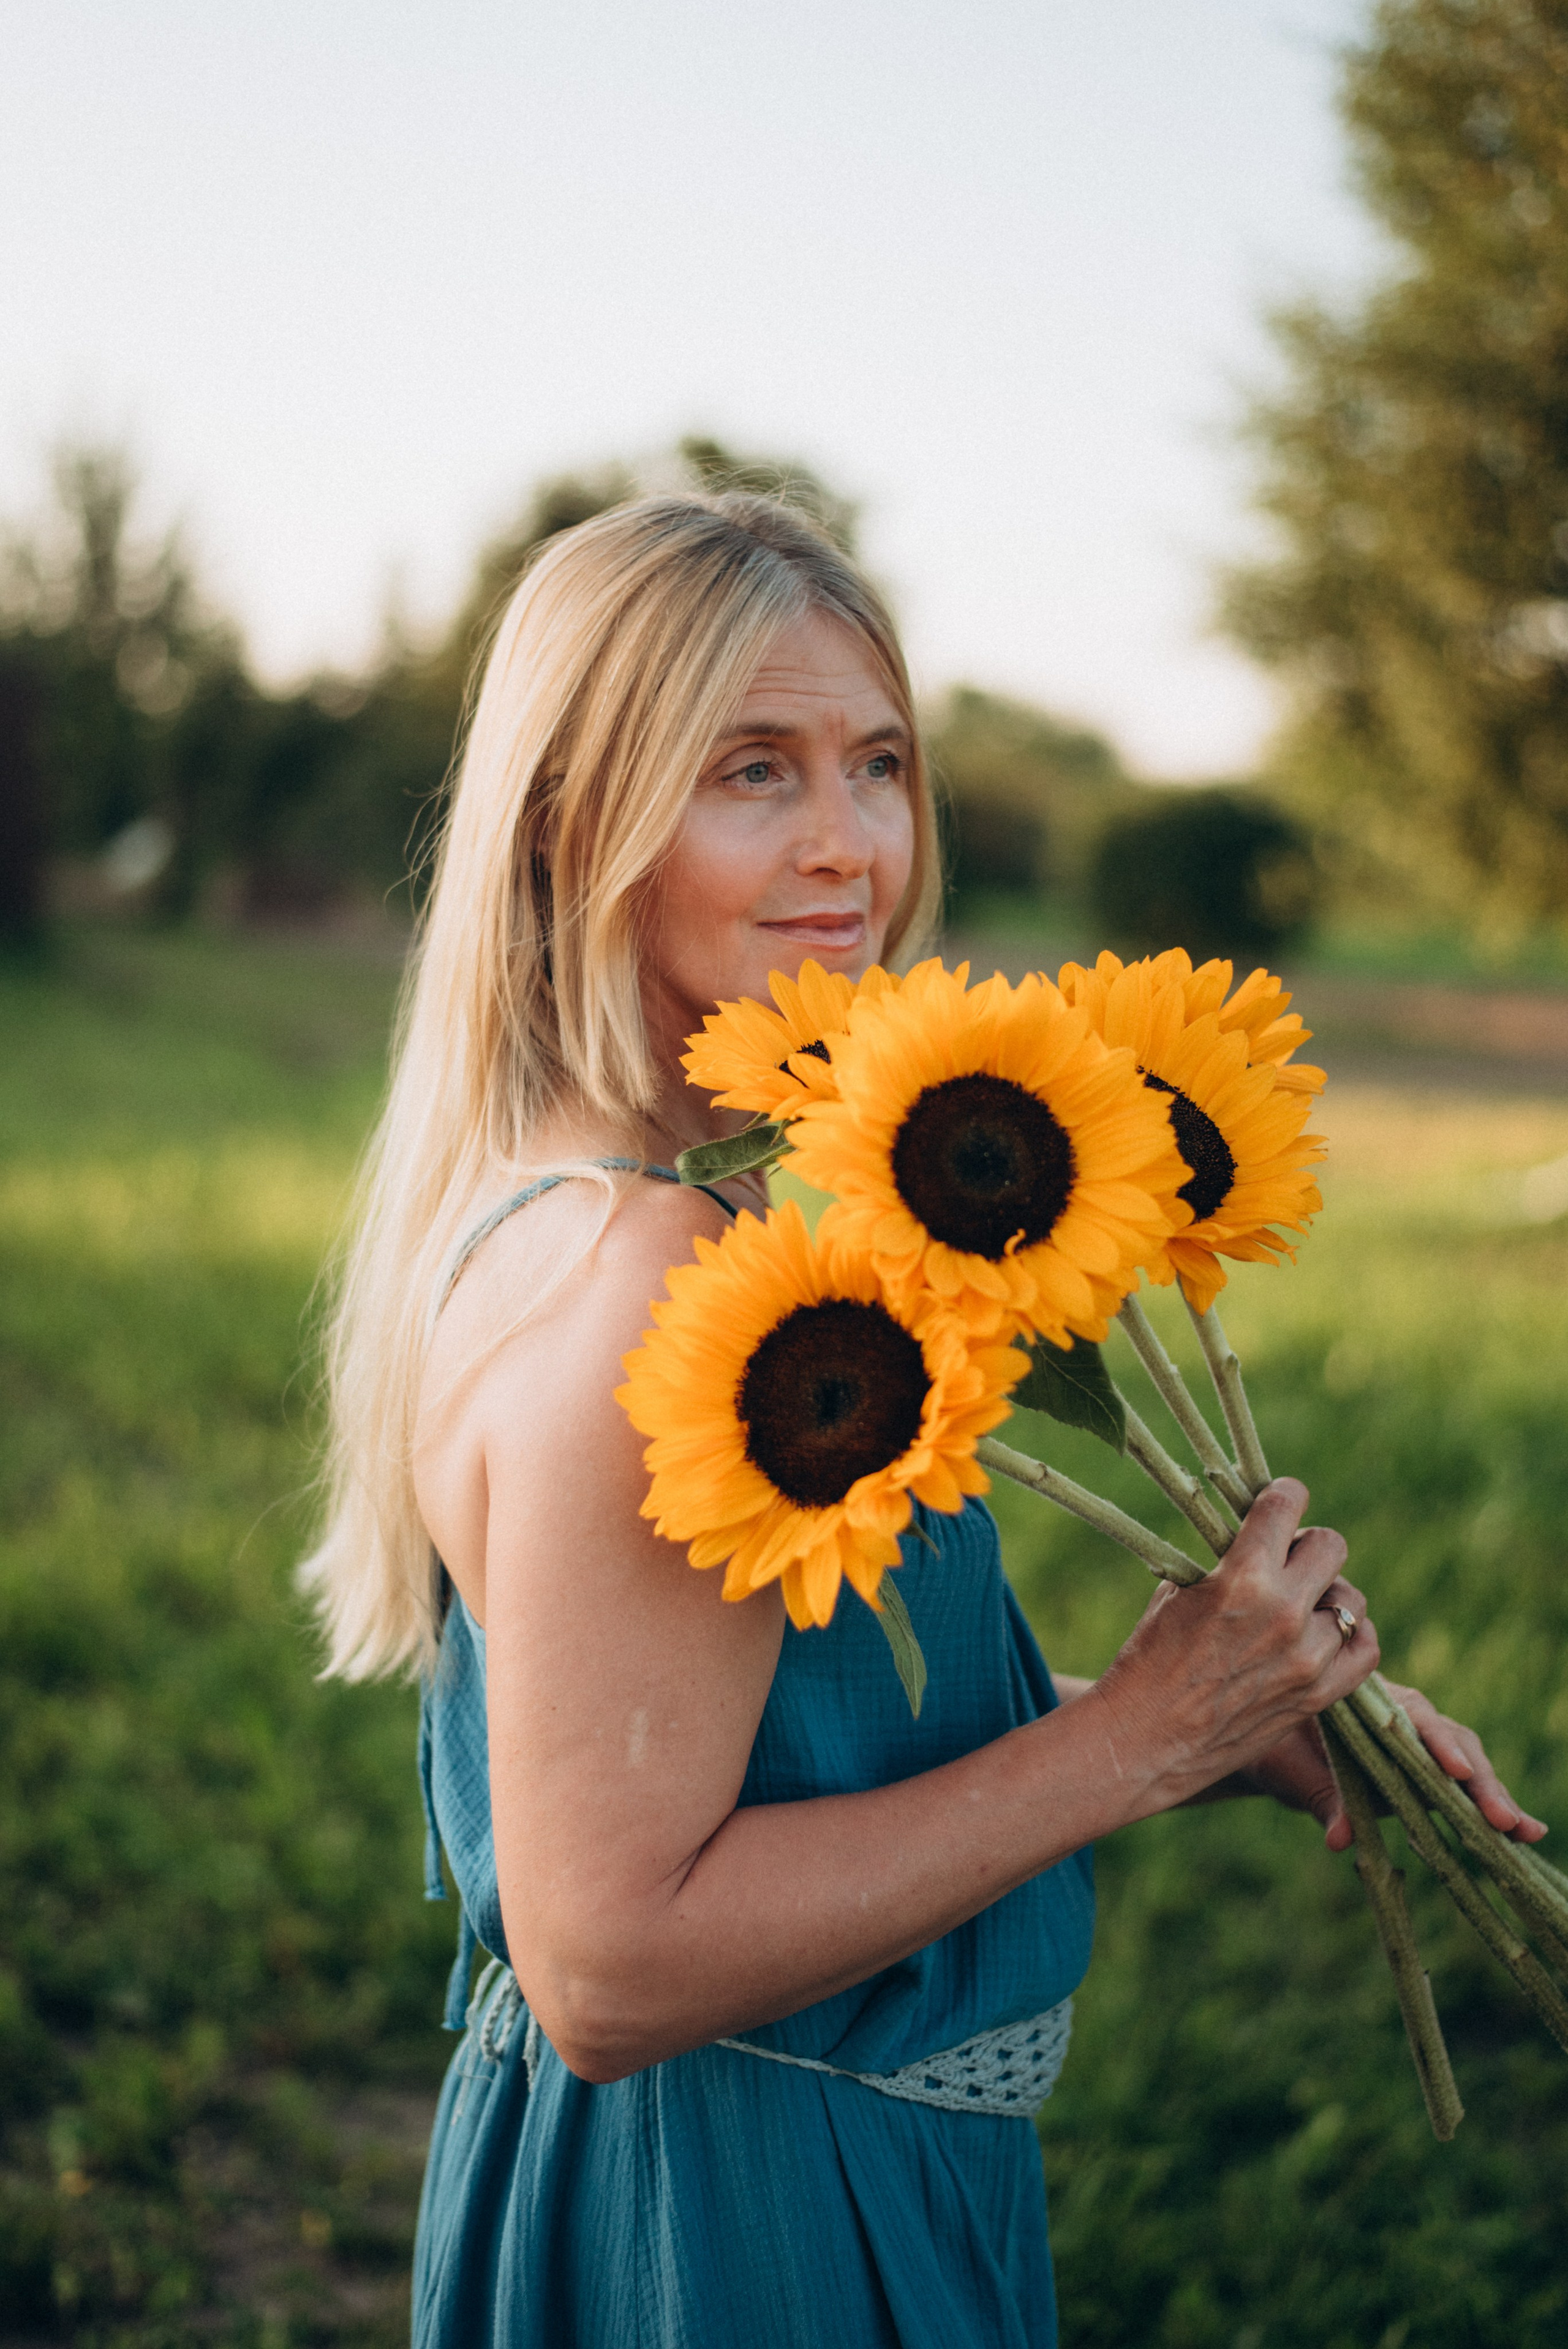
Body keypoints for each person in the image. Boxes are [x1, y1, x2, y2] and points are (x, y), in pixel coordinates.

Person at [301, 493, 1544, 2348]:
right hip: (740, 2223)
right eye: (752, 770)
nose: (846, 847)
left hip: (772, 2166)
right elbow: (610, 1955)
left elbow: (760, 1750)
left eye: (876, 764)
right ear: (573, 824)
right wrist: (1127, 1741)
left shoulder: (647, 1207)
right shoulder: (646, 1279)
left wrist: (1227, 1726)